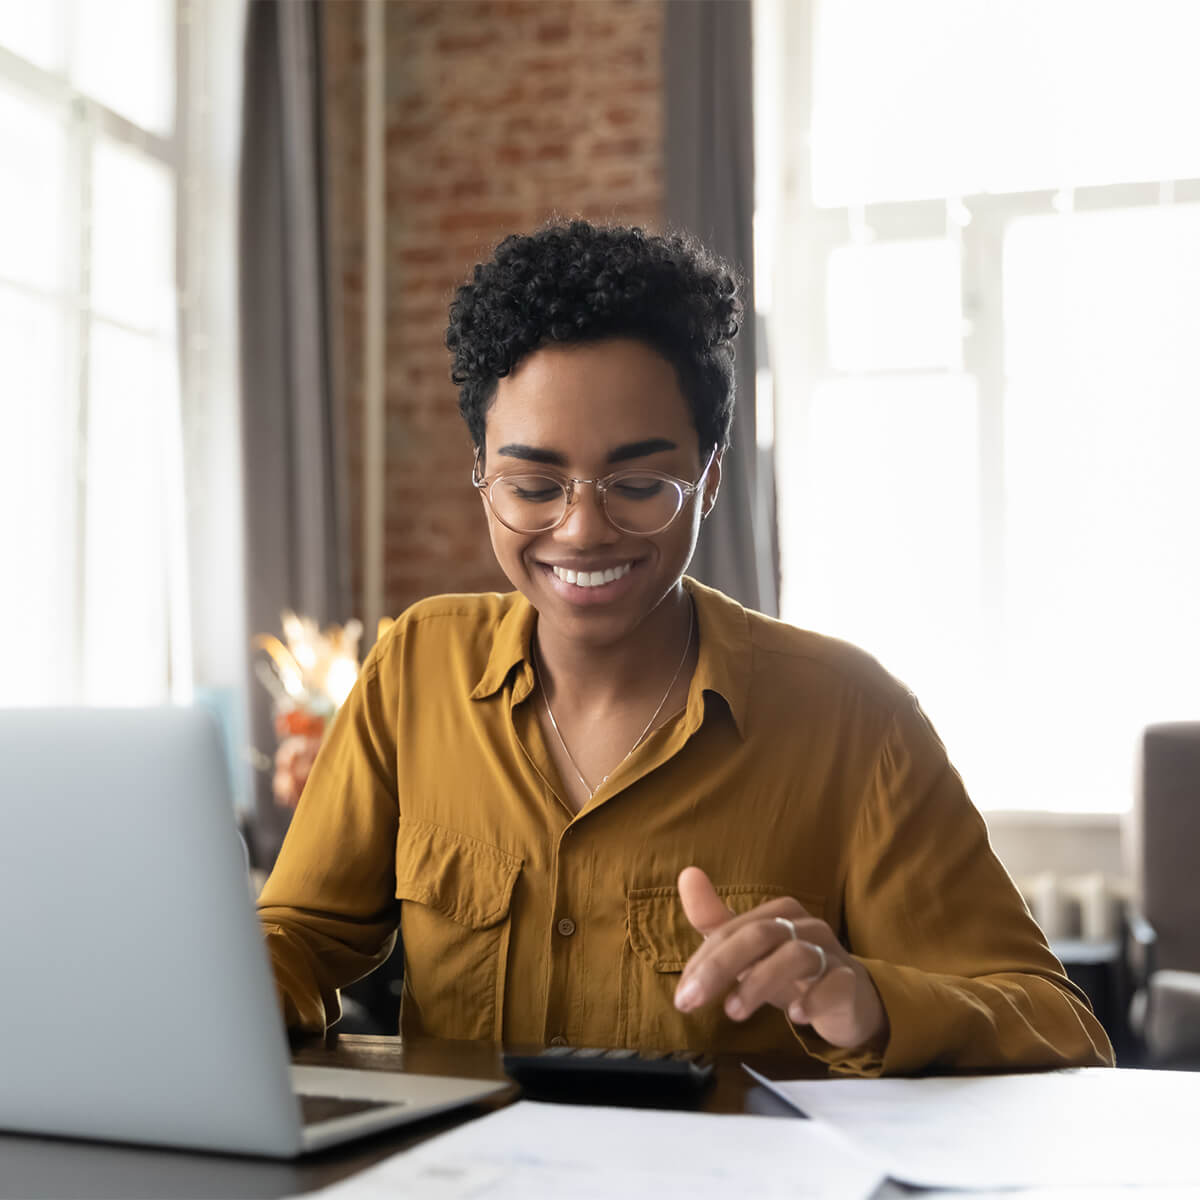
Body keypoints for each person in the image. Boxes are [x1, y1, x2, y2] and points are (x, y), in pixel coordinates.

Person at [257, 220, 1113, 1075]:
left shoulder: (854, 720)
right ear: (481, 473)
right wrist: (228, 979)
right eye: (532, 485)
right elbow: (298, 936)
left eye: (638, 485)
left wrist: (868, 1000)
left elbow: (1060, 1028)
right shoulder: (416, 669)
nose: (582, 530)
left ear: (709, 479)